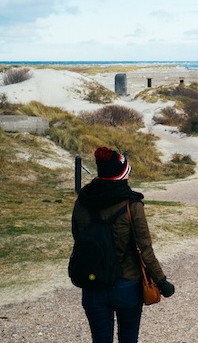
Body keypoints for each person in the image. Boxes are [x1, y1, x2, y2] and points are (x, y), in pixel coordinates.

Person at [72, 146, 175, 343]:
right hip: (126, 285)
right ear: (121, 175)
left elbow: (78, 239)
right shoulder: (132, 204)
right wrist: (162, 282)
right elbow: (145, 250)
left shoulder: (82, 201)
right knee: (128, 338)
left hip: (93, 284)